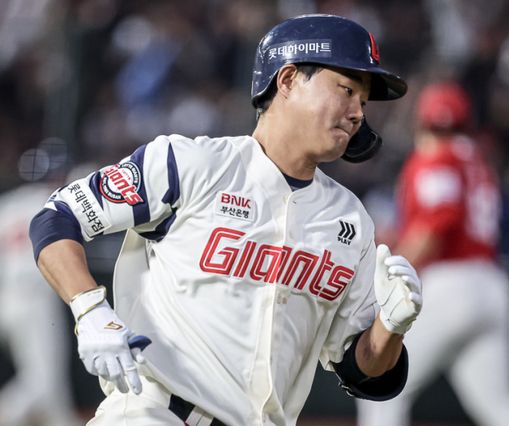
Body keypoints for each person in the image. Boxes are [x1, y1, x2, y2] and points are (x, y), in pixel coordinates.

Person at [29, 14, 422, 426]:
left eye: (363, 102)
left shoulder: (350, 219)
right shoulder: (192, 164)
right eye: (347, 90)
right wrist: (90, 310)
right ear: (288, 80)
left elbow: (361, 371)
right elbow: (57, 217)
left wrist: (391, 324)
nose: (357, 113)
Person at [356, 82, 509, 426]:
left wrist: (389, 274)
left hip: (450, 284)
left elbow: (434, 228)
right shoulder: (477, 161)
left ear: (422, 122)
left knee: (376, 380)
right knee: (501, 406)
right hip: (492, 284)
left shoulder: (436, 158)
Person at [0, 179, 83, 426]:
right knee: (43, 383)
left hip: (8, 300)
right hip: (35, 301)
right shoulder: (52, 199)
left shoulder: (7, 205)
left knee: (54, 390)